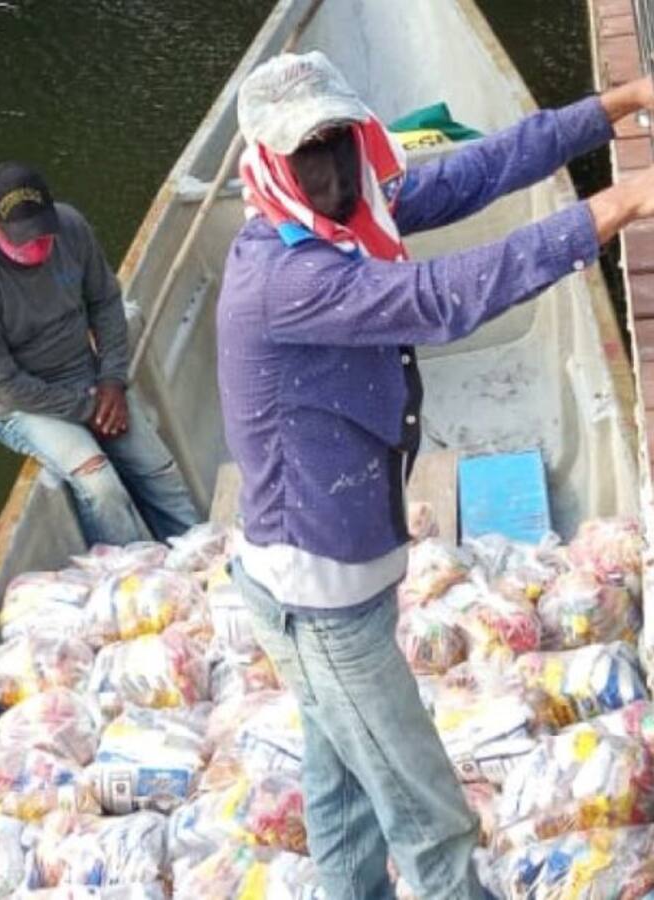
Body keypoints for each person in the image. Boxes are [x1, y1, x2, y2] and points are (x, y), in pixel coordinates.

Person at [217, 51, 654, 899]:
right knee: (429, 819)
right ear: (269, 163)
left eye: (338, 144)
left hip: (340, 574)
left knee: (345, 793)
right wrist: (625, 201)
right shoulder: (285, 276)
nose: (332, 172)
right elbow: (445, 295)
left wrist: (619, 104)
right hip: (320, 597)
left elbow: (480, 170)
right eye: (308, 156)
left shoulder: (348, 214)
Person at [0, 161, 201, 546]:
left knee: (156, 467)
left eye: (42, 233)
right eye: (22, 238)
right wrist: (84, 409)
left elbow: (106, 301)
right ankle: (127, 573)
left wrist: (112, 379)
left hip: (89, 378)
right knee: (100, 485)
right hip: (21, 404)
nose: (36, 246)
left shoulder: (71, 227)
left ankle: (196, 554)